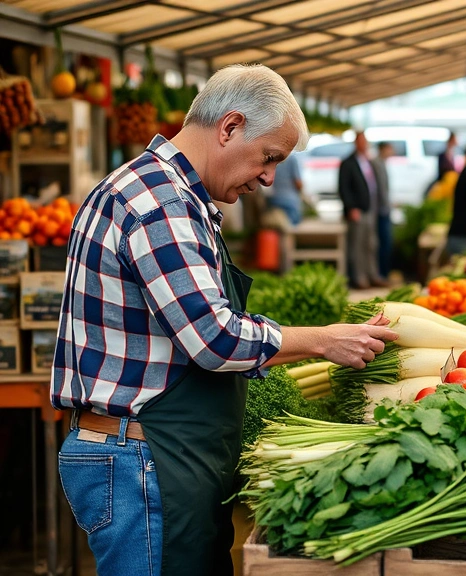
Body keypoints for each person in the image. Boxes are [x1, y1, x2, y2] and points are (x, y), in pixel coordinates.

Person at [51, 64, 398, 576]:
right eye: (269, 157)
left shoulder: (167, 193)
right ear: (230, 127)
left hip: (150, 453)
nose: (269, 177)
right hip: (142, 460)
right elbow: (214, 338)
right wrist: (325, 341)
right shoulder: (160, 203)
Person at [339, 132, 388, 289]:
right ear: (356, 143)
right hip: (358, 210)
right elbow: (343, 188)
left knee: (371, 244)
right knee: (357, 245)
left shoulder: (368, 161)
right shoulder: (348, 162)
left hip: (370, 208)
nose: (364, 144)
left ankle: (372, 274)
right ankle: (359, 278)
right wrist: (351, 207)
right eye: (361, 141)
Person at [264, 151, 305, 225]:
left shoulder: (272, 158)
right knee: (291, 226)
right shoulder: (292, 159)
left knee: (277, 227)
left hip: (275, 198)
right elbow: (298, 183)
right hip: (290, 201)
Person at [372, 142, 394, 280]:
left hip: (384, 209)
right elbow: (379, 189)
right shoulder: (376, 163)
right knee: (383, 243)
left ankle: (384, 273)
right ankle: (382, 274)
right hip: (380, 210)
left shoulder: (382, 163)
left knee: (386, 242)